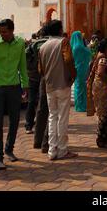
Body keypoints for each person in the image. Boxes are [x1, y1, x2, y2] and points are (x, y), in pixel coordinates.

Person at [0, 19, 29, 171]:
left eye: (5, 32)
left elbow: (23, 66)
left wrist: (25, 85)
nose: (2, 35)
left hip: (14, 86)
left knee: (15, 120)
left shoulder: (19, 44)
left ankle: (9, 149)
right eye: (0, 32)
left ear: (12, 30)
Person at [39, 20, 77, 161]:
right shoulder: (63, 43)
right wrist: (73, 76)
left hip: (49, 86)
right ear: (60, 30)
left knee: (52, 117)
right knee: (62, 118)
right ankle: (62, 150)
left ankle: (51, 150)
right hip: (62, 84)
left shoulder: (43, 46)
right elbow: (68, 60)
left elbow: (40, 69)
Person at [87, 39, 107, 148]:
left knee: (104, 112)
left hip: (100, 87)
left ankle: (105, 137)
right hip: (102, 88)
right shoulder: (103, 58)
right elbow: (100, 72)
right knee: (104, 113)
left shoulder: (100, 56)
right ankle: (102, 138)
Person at [25, 25, 50, 134]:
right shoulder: (49, 44)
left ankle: (28, 125)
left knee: (31, 101)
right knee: (44, 101)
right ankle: (43, 126)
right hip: (45, 76)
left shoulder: (32, 45)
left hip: (32, 76)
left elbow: (25, 57)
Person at [70, 31, 92, 112]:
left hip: (76, 68)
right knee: (81, 87)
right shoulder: (80, 46)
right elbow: (89, 53)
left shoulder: (72, 47)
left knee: (78, 87)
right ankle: (81, 105)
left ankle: (79, 105)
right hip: (82, 69)